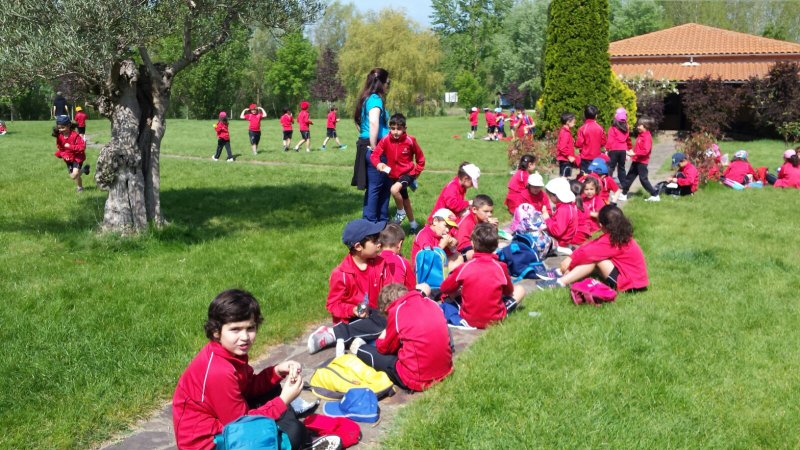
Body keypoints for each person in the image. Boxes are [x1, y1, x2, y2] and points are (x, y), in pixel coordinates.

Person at [172, 289, 342, 450]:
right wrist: (283, 401)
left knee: (272, 387)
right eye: (235, 329)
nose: (245, 337)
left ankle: (288, 425)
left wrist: (276, 372)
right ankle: (298, 439)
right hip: (209, 443)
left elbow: (247, 386)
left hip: (227, 422)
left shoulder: (229, 353)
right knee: (294, 433)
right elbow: (242, 425)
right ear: (216, 331)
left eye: (250, 328)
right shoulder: (219, 371)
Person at [350, 284, 454, 392]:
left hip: (418, 380)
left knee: (375, 354)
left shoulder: (397, 311)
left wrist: (384, 334)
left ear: (386, 308)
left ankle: (359, 350)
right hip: (445, 370)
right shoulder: (431, 303)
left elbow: (384, 348)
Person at [439, 223, 526, 329]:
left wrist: (461, 289)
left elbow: (445, 288)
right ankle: (502, 312)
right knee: (520, 289)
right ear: (496, 245)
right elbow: (508, 291)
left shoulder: (464, 267)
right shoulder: (501, 267)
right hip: (495, 319)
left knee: (452, 296)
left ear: (472, 244)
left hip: (469, 319)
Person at [556, 205, 649, 293]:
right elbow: (593, 244)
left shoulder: (612, 240)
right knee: (593, 257)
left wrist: (570, 263)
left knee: (594, 259)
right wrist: (571, 257)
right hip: (636, 280)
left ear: (601, 225)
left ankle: (561, 282)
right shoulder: (619, 234)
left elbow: (587, 254)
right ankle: (564, 275)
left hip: (629, 284)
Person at [370, 113, 426, 232]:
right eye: (393, 128)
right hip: (394, 176)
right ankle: (413, 225)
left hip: (408, 173)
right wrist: (378, 164)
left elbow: (420, 158)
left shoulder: (410, 141)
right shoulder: (385, 140)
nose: (395, 132)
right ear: (389, 128)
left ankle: (400, 212)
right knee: (405, 200)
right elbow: (374, 155)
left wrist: (416, 173)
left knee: (394, 190)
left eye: (399, 129)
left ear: (405, 128)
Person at [352, 68, 391, 223]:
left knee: (379, 186)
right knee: (378, 186)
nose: (388, 86)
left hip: (366, 143)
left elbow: (358, 122)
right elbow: (373, 122)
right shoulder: (375, 99)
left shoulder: (365, 98)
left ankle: (379, 221)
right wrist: (375, 147)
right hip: (376, 146)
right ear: (381, 83)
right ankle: (372, 223)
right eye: (388, 82)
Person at [620, 117, 659, 202]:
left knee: (643, 179)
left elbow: (646, 151)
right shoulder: (641, 135)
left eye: (639, 125)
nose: (637, 127)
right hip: (636, 160)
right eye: (638, 125)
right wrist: (632, 152)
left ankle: (655, 195)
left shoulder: (647, 137)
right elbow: (638, 148)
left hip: (642, 162)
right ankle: (623, 194)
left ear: (645, 126)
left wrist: (635, 154)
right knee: (629, 177)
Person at [540, 177, 578, 254]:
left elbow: (557, 231)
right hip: (566, 240)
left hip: (560, 243)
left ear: (556, 196)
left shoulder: (563, 210)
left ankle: (558, 250)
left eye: (550, 196)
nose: (550, 199)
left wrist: (547, 218)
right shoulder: (568, 206)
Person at [456, 194, 499, 261]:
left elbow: (491, 240)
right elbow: (462, 246)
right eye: (486, 211)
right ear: (474, 209)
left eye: (491, 211)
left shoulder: (481, 219)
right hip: (462, 253)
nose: (490, 214)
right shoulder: (467, 223)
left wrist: (492, 229)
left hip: (476, 247)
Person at [53, 115, 89, 193]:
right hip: (68, 158)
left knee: (75, 174)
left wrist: (70, 146)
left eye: (63, 127)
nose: (61, 130)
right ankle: (81, 182)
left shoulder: (75, 135)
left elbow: (82, 147)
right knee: (73, 176)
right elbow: (60, 147)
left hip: (77, 157)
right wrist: (62, 154)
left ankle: (79, 187)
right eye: (59, 128)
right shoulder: (59, 136)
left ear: (69, 125)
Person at [378, 223, 418, 291]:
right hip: (400, 296)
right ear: (399, 244)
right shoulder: (402, 262)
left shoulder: (375, 259)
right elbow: (412, 287)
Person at [575, 105, 607, 173]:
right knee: (595, 176)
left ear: (584, 115)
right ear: (596, 116)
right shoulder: (600, 128)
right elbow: (603, 142)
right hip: (597, 157)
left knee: (585, 176)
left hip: (585, 157)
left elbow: (579, 144)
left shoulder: (582, 128)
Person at [606, 107, 632, 183]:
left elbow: (610, 140)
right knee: (621, 167)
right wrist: (630, 148)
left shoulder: (612, 129)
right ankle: (623, 183)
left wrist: (607, 149)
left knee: (611, 167)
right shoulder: (626, 128)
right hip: (623, 150)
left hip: (614, 150)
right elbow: (628, 139)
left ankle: (608, 182)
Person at [556, 112, 578, 177]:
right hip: (565, 160)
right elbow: (562, 147)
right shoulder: (565, 133)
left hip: (566, 159)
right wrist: (569, 156)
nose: (575, 123)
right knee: (564, 178)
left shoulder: (566, 131)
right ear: (568, 122)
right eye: (573, 121)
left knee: (565, 177)